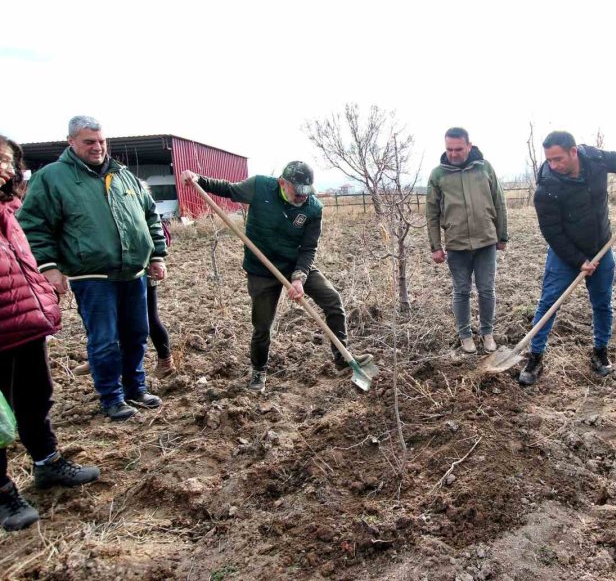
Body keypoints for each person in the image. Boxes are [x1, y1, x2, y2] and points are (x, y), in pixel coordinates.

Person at [17, 116, 168, 422]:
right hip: (93, 277)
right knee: (104, 339)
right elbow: (33, 226)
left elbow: (150, 216)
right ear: (71, 142)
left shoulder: (123, 175)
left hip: (134, 273)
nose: (97, 148)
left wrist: (156, 255)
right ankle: (111, 397)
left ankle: (135, 388)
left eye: (101, 141)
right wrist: (49, 266)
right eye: (89, 142)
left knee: (136, 334)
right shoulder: (52, 178)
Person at [180, 161, 372, 392]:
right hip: (262, 268)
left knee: (332, 300)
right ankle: (258, 371)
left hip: (294, 264)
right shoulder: (259, 186)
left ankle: (342, 357)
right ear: (283, 183)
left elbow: (309, 248)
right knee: (262, 326)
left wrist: (299, 278)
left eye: (306, 192)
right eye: (297, 191)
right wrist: (198, 179)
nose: (302, 197)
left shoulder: (313, 209)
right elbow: (228, 189)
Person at [0, 135, 100, 531]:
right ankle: (3, 494)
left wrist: (43, 290)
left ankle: (47, 463)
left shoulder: (10, 208)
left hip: (22, 322)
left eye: (9, 161)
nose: (6, 168)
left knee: (34, 398)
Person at [518, 131, 616, 386]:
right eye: (549, 160)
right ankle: (535, 357)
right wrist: (578, 260)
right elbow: (552, 233)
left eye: (558, 159)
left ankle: (600, 352)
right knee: (549, 304)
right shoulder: (547, 189)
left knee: (602, 303)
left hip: (602, 246)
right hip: (565, 254)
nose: (553, 166)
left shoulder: (596, 159)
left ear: (574, 151)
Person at [426, 127, 508, 354]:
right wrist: (435, 246)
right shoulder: (438, 175)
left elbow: (499, 202)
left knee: (486, 289)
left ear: (469, 146)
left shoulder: (485, 168)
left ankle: (487, 333)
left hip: (486, 241)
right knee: (461, 291)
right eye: (449, 149)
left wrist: (502, 235)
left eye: (458, 149)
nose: (453, 153)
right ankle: (465, 335)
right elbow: (431, 213)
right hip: (457, 243)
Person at [73, 218, 176, 379]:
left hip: (140, 268)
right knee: (107, 319)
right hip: (112, 270)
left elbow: (156, 232)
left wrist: (154, 258)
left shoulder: (136, 198)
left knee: (148, 317)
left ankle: (165, 360)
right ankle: (100, 359)